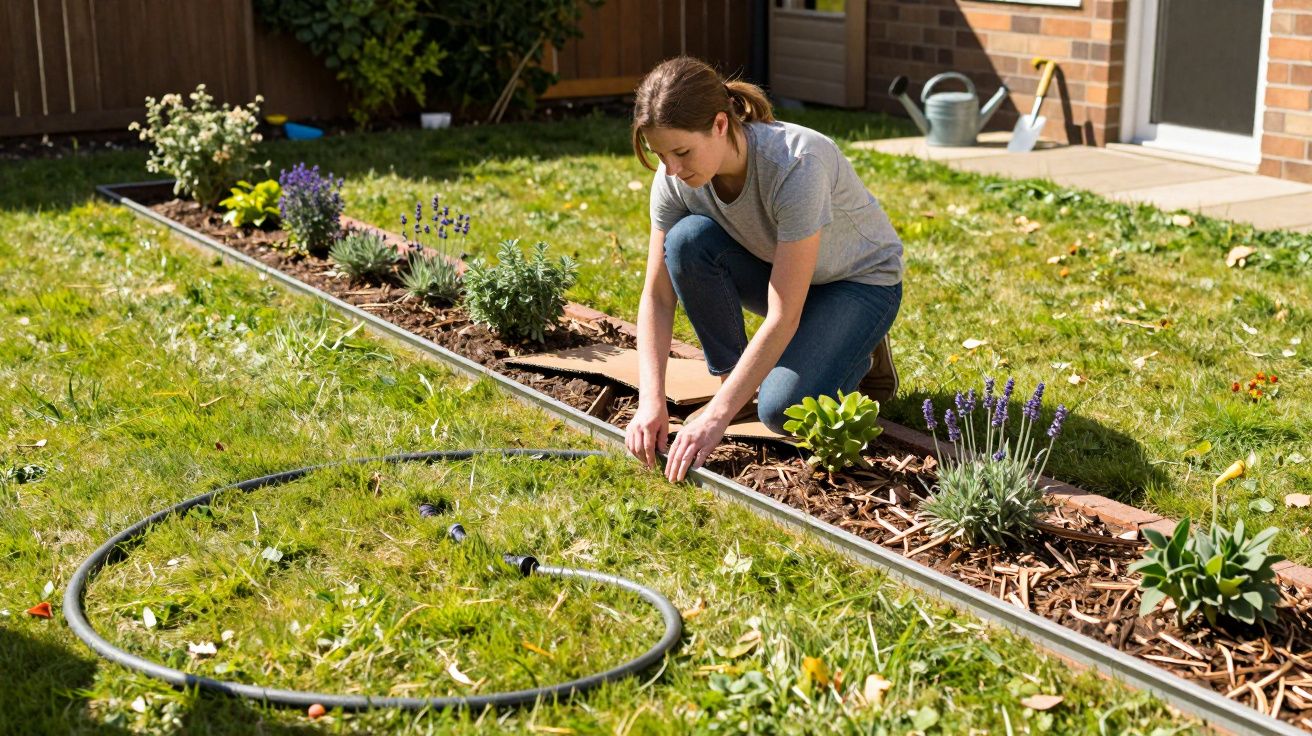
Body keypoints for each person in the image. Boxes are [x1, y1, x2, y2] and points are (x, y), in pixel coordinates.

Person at [623, 56, 904, 483]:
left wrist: (717, 418)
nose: (673, 170)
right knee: (685, 242)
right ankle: (733, 383)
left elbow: (783, 313)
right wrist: (650, 401)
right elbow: (657, 296)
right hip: (784, 274)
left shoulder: (796, 163)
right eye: (661, 155)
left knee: (781, 412)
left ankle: (860, 344)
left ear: (720, 124)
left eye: (682, 152)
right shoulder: (674, 179)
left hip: (858, 282)